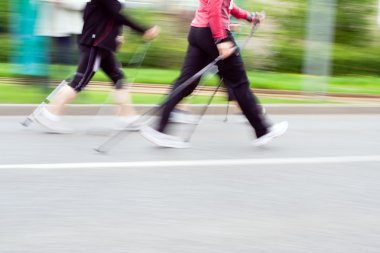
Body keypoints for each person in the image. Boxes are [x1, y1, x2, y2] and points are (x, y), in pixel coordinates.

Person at [141, 0, 288, 148]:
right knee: (239, 84)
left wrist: (249, 17)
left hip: (198, 31)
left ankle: (159, 129)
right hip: (213, 33)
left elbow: (227, 5)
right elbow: (215, 6)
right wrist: (221, 39)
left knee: (186, 83)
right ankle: (263, 131)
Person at [34, 0, 160, 133]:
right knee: (79, 82)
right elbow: (116, 15)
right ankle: (49, 114)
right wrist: (144, 30)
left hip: (101, 45)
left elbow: (111, 14)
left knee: (119, 78)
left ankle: (127, 117)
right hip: (95, 45)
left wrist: (117, 34)